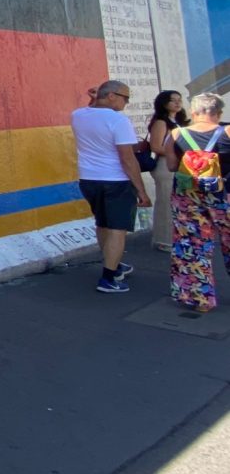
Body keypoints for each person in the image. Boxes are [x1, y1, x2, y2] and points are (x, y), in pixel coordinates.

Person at [72, 80, 151, 293]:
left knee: (103, 224)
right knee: (118, 229)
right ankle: (109, 278)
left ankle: (112, 263)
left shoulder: (78, 115)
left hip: (89, 179)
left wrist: (93, 98)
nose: (126, 102)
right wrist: (142, 191)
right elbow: (127, 158)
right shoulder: (118, 121)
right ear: (112, 96)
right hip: (116, 181)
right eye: (125, 98)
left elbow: (92, 115)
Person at [162, 92, 230, 312]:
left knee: (192, 245)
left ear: (193, 112)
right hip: (224, 193)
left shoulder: (175, 134)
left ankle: (199, 300)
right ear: (219, 112)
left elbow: (172, 166)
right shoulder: (227, 131)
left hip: (187, 195)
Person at [146, 90, 189, 251]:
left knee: (178, 203)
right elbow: (156, 146)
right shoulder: (161, 122)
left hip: (178, 165)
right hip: (164, 166)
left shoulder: (177, 121)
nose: (178, 103)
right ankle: (164, 240)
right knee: (165, 202)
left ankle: (177, 237)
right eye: (173, 100)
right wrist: (178, 153)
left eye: (180, 100)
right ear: (164, 103)